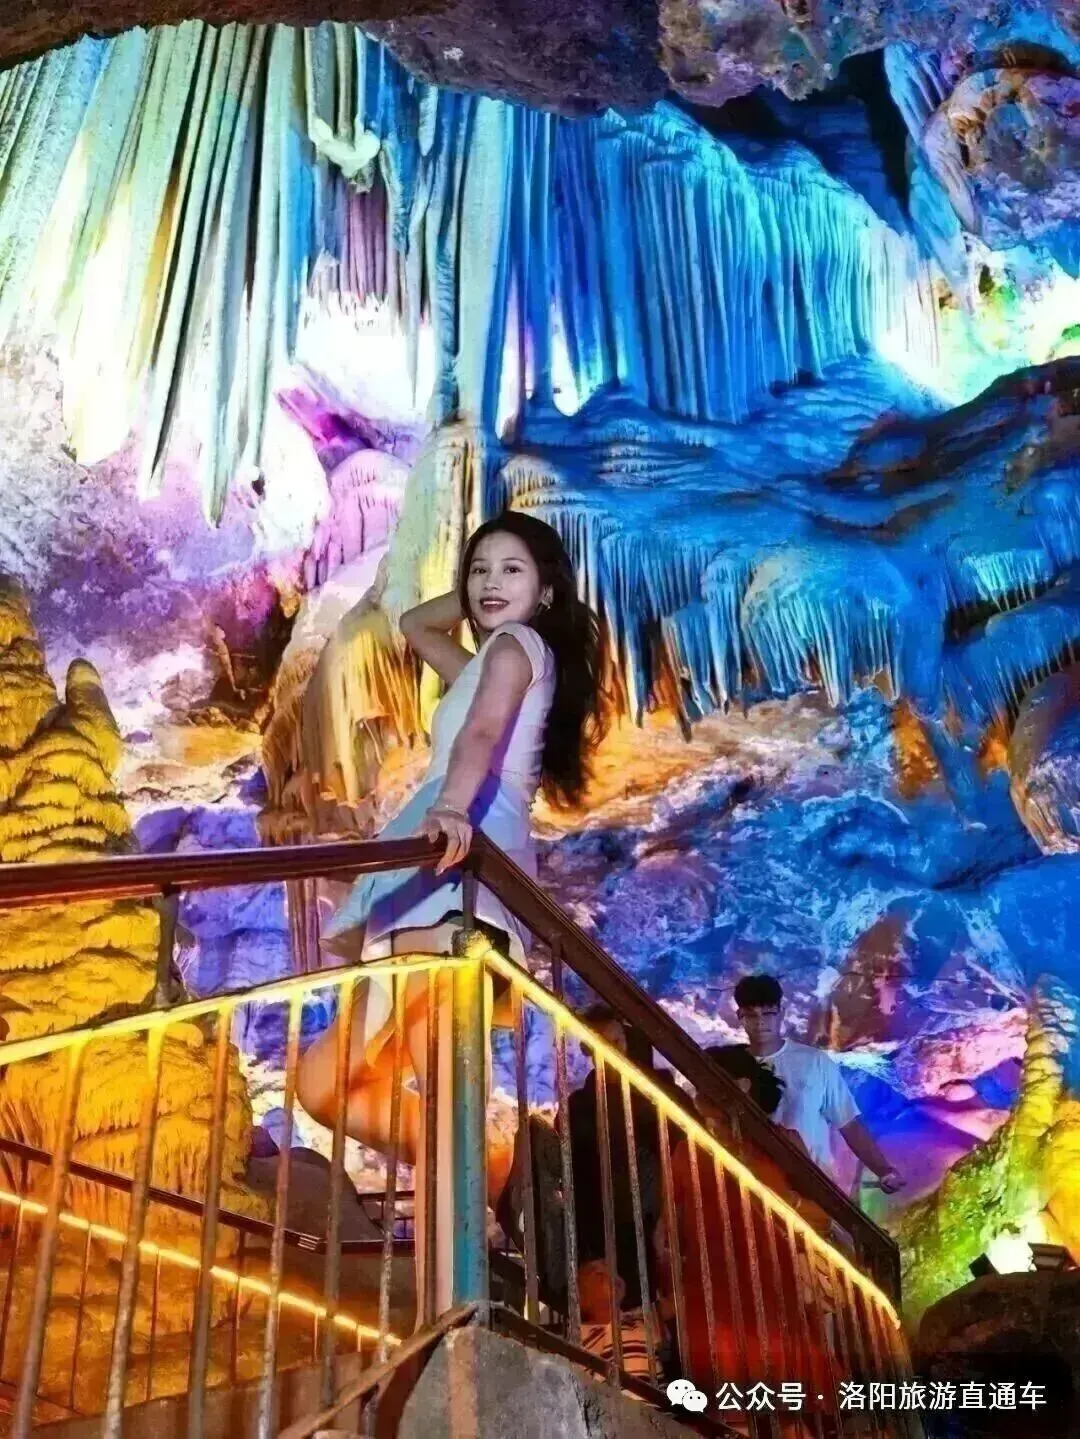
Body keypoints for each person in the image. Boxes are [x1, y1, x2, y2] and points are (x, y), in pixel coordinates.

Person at [297, 511, 603, 1316]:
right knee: (323, 1084)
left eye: (512, 569)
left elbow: (481, 734)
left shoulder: (516, 647)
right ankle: (496, 1169)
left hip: (455, 862)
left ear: (547, 590)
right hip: (430, 867)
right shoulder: (490, 655)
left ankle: (455, 1297)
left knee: (436, 1092)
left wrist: (452, 811)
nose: (489, 583)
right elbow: (412, 623)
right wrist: (475, 595)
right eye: (479, 569)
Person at [657, 1045, 834, 1402]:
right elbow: (666, 1233)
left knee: (788, 1393)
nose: (699, 1091)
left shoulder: (781, 1145)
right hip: (711, 1289)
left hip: (775, 1285)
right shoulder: (687, 1151)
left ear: (741, 1085)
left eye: (708, 1081)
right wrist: (672, 1284)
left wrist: (787, 1199)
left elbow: (824, 1218)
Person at [733, 974, 905, 1195]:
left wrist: (883, 1170)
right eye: (751, 1015)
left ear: (781, 1013)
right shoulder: (732, 1066)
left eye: (768, 1013)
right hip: (754, 1188)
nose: (760, 1022)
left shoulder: (814, 1062)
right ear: (740, 1016)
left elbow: (848, 1122)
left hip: (814, 1189)